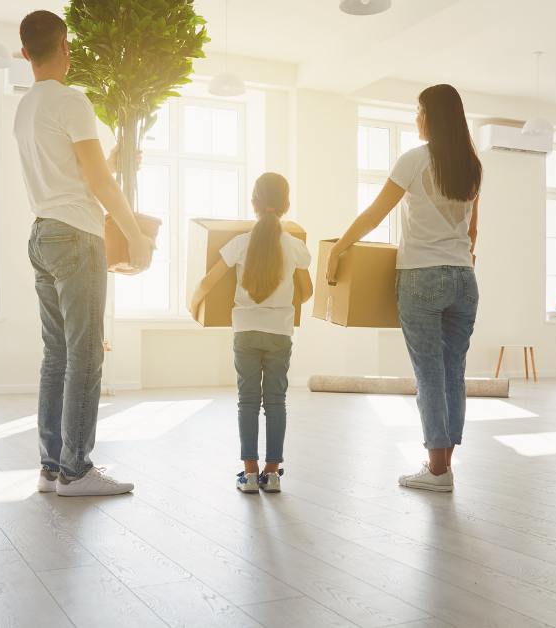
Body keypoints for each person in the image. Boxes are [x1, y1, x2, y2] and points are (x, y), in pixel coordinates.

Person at [15, 10, 154, 497]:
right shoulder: (71, 99)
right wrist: (135, 232)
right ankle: (78, 469)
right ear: (65, 48)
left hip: (42, 235)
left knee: (57, 355)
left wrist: (111, 163)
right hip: (76, 236)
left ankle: (51, 467)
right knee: (87, 355)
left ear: (26, 52)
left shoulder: (26, 107)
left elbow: (79, 171)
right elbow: (95, 182)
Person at [326, 84, 482, 492]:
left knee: (429, 374)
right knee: (453, 374)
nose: (416, 117)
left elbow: (376, 215)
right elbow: (472, 230)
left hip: (422, 278)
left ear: (430, 115)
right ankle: (442, 469)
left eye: (418, 110)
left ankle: (436, 473)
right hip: (465, 279)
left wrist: (338, 249)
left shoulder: (414, 160)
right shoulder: (471, 165)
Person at [189, 173, 313, 494]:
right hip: (279, 334)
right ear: (286, 206)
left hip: (244, 332)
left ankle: (250, 474)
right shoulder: (295, 246)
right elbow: (308, 292)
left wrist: (194, 305)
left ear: (254, 204)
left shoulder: (240, 243)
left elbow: (206, 283)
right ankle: (272, 474)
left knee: (247, 401)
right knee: (275, 401)